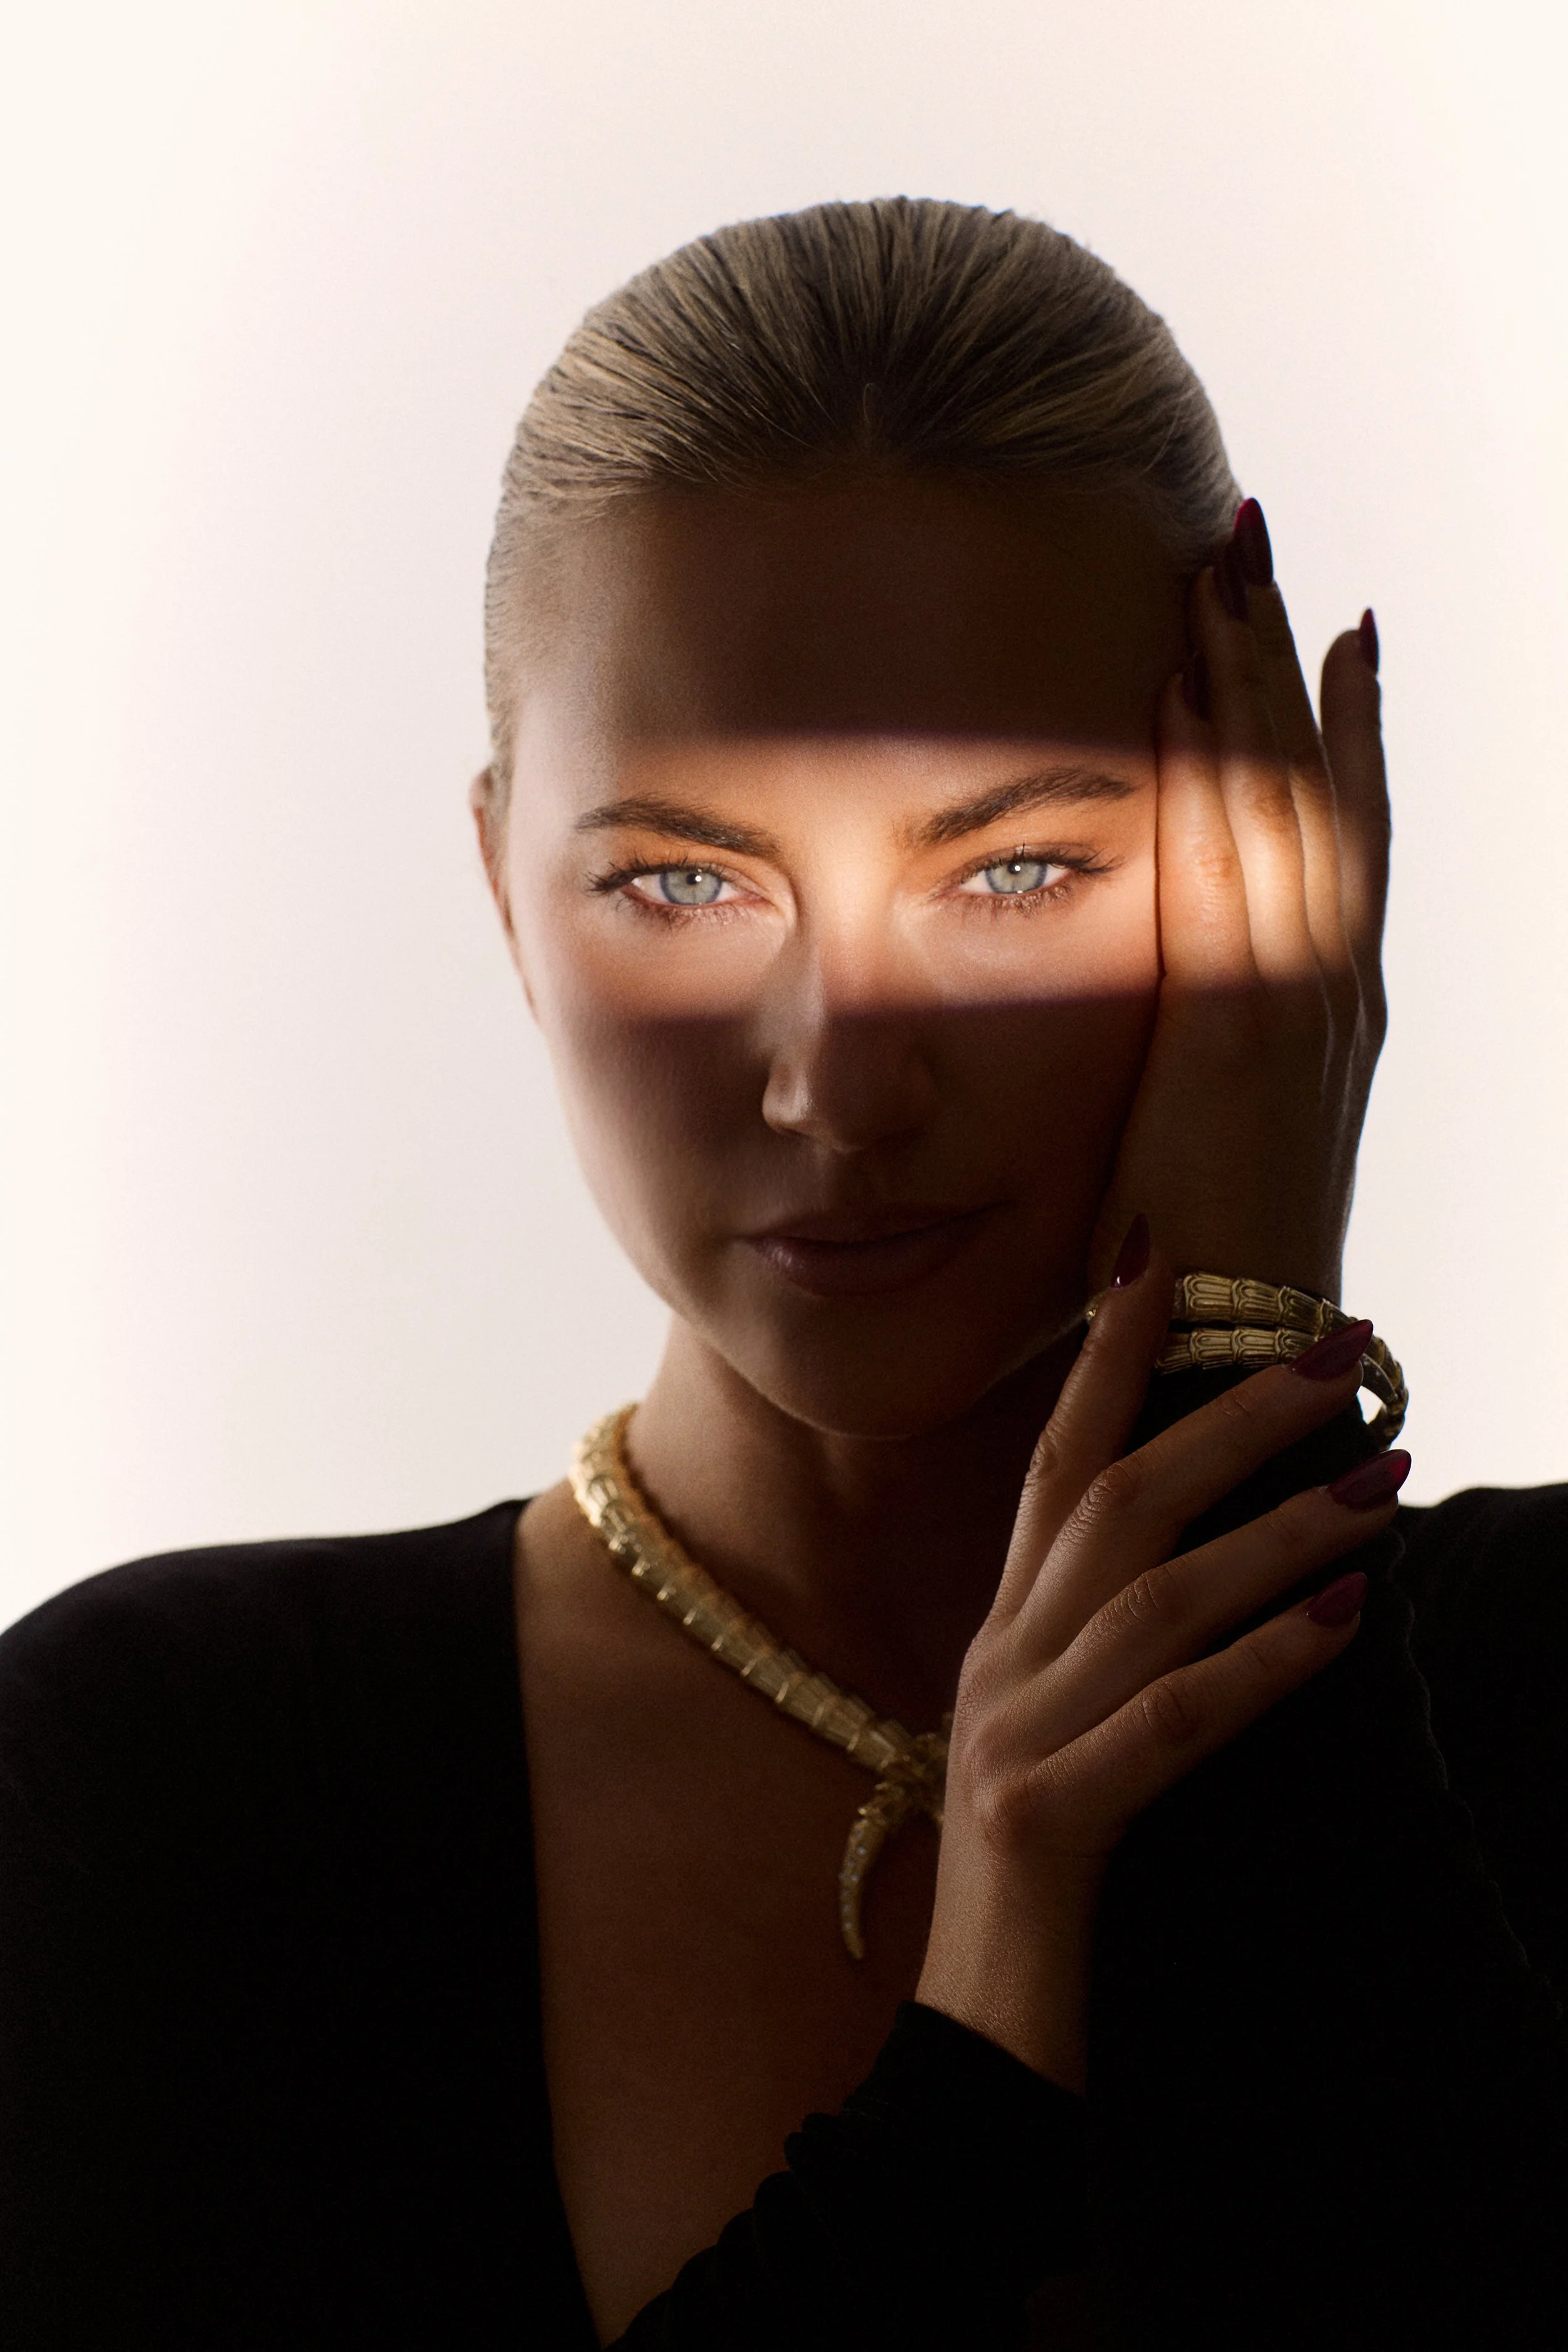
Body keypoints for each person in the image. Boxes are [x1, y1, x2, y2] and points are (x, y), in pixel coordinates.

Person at [2, 198, 1564, 2352]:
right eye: (680, 881)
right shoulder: (162, 1783)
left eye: (1017, 870)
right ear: (503, 887)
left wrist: (1237, 1363)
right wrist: (990, 2011)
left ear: (1263, 876)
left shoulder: (1544, 1681)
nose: (837, 1078)